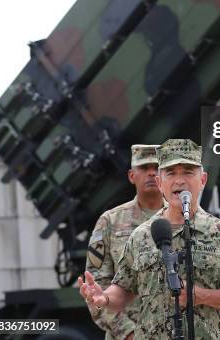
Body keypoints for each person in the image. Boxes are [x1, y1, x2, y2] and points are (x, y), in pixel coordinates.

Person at [79, 139, 220, 340]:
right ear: (160, 182)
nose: (180, 180)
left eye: (188, 172)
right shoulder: (140, 235)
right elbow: (123, 290)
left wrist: (201, 296)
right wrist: (103, 298)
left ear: (202, 180)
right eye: (171, 173)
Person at [85, 144, 163, 340]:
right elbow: (97, 288)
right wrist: (128, 333)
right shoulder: (110, 221)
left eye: (157, 168)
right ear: (131, 176)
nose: (152, 173)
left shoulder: (183, 219)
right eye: (144, 168)